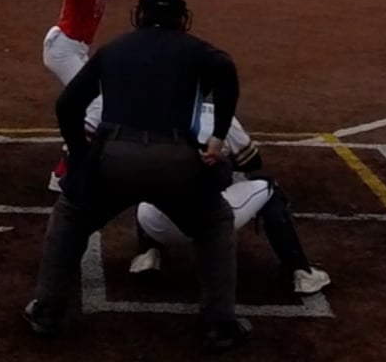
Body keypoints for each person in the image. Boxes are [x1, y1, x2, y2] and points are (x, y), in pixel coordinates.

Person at [22, 0, 251, 352]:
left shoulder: (114, 49)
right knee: (215, 223)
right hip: (175, 160)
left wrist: (80, 155)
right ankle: (220, 325)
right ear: (182, 18)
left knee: (71, 215)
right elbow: (226, 71)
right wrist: (218, 135)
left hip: (114, 156)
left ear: (140, 15)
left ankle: (47, 311)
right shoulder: (199, 50)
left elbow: (67, 105)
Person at [122, 99, 332, 296]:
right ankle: (301, 272)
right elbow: (252, 162)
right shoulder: (220, 116)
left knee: (148, 176)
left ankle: (147, 254)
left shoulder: (154, 111)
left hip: (155, 222)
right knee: (269, 188)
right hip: (210, 222)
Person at [44, 0, 134, 192]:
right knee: (97, 103)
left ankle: (79, 159)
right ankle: (64, 172)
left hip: (78, 49)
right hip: (62, 48)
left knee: (93, 102)